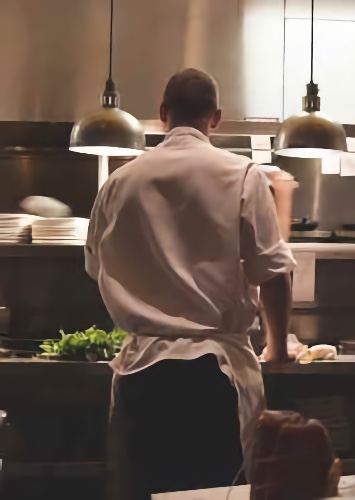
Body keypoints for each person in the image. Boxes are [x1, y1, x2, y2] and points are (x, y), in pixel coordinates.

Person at [85, 68, 296, 500]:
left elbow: (95, 265)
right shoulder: (242, 174)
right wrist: (275, 348)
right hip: (213, 374)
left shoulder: (119, 181)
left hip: (140, 373)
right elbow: (273, 272)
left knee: (144, 492)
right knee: (216, 494)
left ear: (163, 114)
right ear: (215, 118)